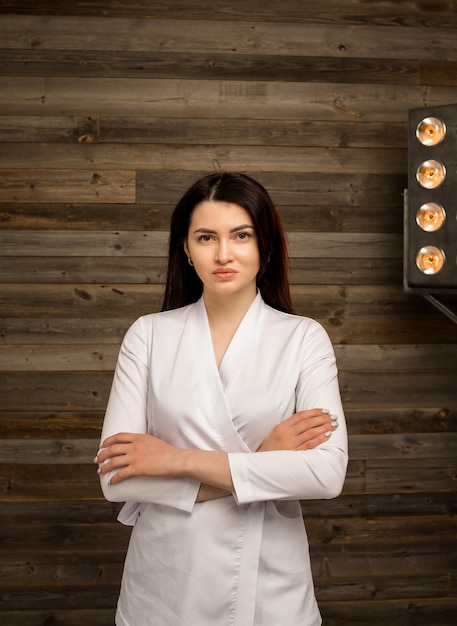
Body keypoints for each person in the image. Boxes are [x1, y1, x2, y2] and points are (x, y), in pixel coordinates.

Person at [96, 171, 348, 626]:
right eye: (206, 237)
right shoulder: (148, 336)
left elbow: (326, 474)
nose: (224, 254)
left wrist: (174, 460)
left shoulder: (304, 339)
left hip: (270, 585)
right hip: (166, 584)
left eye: (241, 235)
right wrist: (264, 460)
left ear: (264, 247)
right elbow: (117, 480)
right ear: (186, 250)